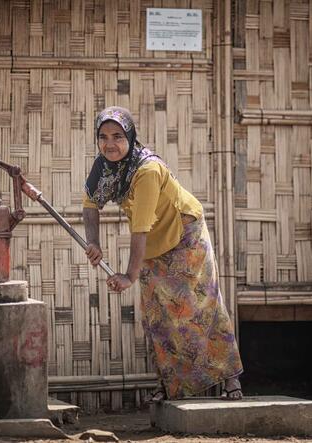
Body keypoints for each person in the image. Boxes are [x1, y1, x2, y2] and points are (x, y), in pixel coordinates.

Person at [82, 106, 243, 401]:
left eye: (118, 136)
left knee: (201, 305)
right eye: (103, 137)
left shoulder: (147, 171)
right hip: (154, 242)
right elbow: (91, 205)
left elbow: (140, 229)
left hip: (185, 234)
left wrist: (129, 276)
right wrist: (93, 242)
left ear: (130, 137)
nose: (110, 144)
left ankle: (231, 381)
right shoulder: (103, 168)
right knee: (156, 313)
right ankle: (169, 385)